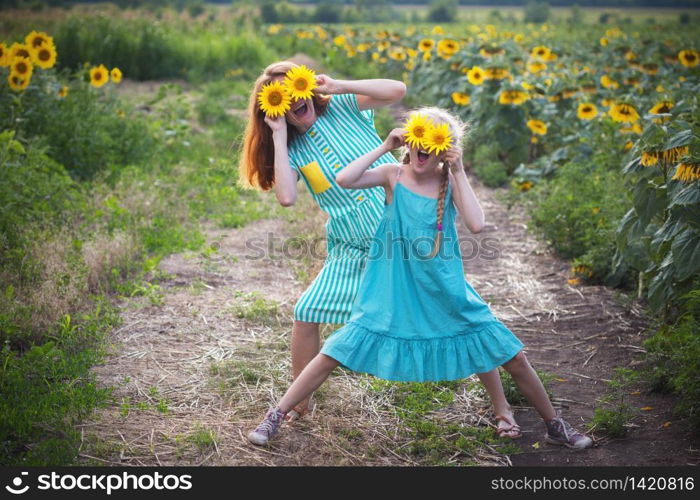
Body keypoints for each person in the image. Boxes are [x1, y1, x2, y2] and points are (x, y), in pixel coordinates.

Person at [246, 107, 594, 450]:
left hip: (444, 288)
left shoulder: (447, 180)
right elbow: (344, 179)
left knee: (513, 357)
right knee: (335, 351)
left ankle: (555, 425)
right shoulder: (393, 175)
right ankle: (275, 415)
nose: (421, 147)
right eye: (416, 137)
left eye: (433, 141)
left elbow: (476, 223)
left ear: (446, 149)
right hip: (393, 289)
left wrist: (458, 170)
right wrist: (384, 146)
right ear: (408, 141)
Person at [239, 61, 407, 420]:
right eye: (282, 101)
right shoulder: (294, 150)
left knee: (446, 310)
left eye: (297, 92)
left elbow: (397, 90)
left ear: (309, 90)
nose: (295, 103)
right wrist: (279, 136)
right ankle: (299, 406)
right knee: (306, 312)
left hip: (398, 235)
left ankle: (499, 396)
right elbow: (286, 197)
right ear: (276, 109)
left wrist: (340, 84)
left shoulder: (346, 106)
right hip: (349, 247)